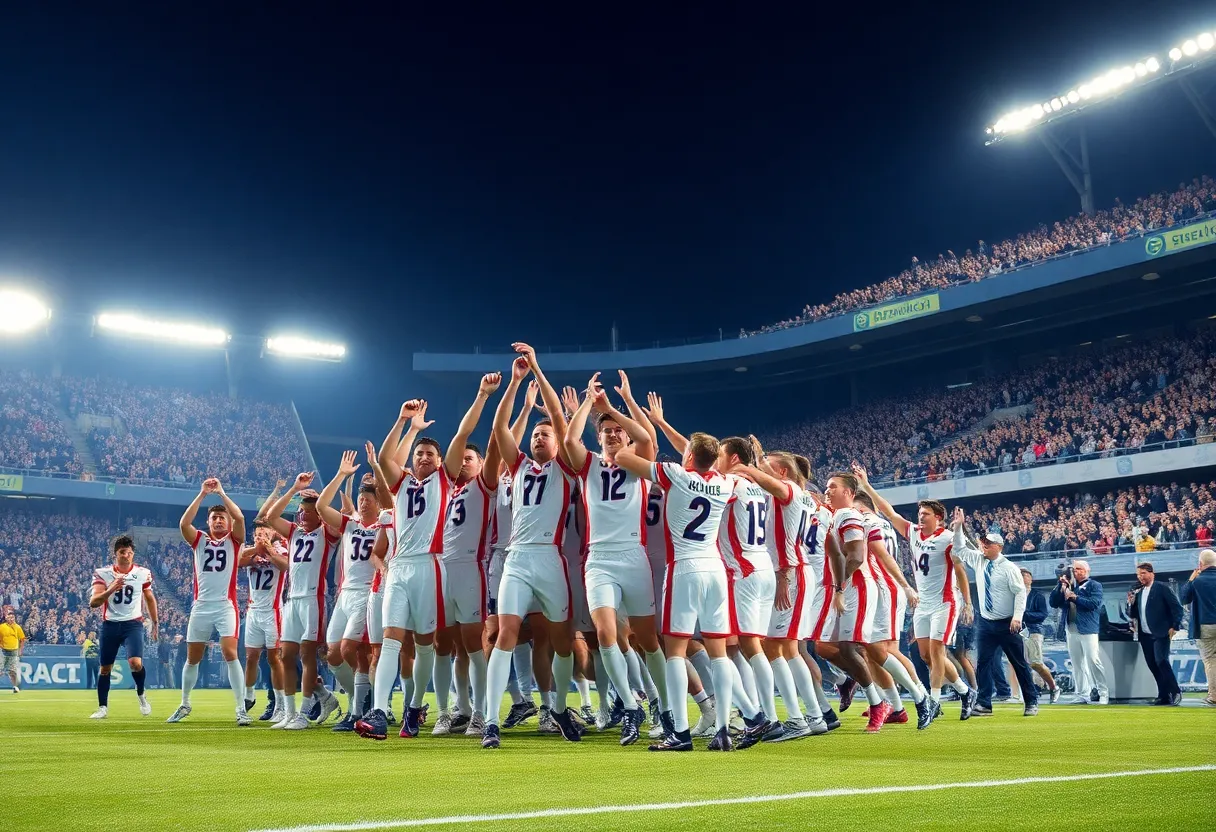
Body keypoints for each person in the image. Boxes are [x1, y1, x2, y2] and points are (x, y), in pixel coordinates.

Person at [613, 428, 773, 752]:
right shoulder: (725, 483)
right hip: (715, 569)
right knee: (719, 654)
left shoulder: (675, 474)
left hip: (683, 568)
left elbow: (622, 458)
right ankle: (725, 730)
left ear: (688, 456)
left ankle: (681, 733)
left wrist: (635, 433)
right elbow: (704, 462)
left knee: (675, 652)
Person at [480, 347, 584, 748]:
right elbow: (500, 428)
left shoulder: (567, 467)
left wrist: (538, 368)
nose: (540, 437)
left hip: (551, 558)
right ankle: (490, 722)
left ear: (558, 442)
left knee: (561, 642)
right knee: (505, 634)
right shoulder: (518, 464)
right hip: (518, 558)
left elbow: (559, 416)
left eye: (546, 434)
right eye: (536, 434)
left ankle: (557, 709)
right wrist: (516, 381)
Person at [562, 371, 668, 746]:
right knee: (606, 634)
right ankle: (630, 707)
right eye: (605, 431)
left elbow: (646, 437)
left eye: (616, 431)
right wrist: (591, 403)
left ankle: (665, 709)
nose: (611, 434)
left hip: (634, 556)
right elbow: (569, 439)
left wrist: (616, 407)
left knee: (646, 640)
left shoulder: (638, 461)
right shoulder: (588, 463)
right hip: (599, 559)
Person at [356, 398, 452, 741]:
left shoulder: (444, 481)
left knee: (425, 645)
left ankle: (414, 705)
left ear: (440, 462)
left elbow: (463, 436)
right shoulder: (402, 485)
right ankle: (380, 712)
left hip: (429, 566)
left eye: (430, 455)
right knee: (390, 640)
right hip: (397, 569)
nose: (423, 458)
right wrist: (404, 423)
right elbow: (385, 459)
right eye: (419, 455)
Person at [854, 465, 976, 719]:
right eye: (920, 513)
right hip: (923, 603)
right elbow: (888, 511)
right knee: (927, 657)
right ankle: (965, 692)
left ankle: (932, 703)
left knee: (936, 652)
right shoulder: (913, 532)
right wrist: (866, 486)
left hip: (945, 601)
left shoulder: (947, 538)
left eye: (927, 514)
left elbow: (961, 570)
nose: (921, 517)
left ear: (938, 518)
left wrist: (967, 602)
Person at [434, 374, 504, 737]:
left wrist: (487, 397)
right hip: (440, 569)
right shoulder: (444, 487)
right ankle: (450, 711)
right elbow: (457, 439)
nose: (463, 462)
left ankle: (480, 711)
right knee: (444, 644)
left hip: (472, 567)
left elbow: (494, 445)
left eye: (469, 458)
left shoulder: (484, 485)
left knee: (475, 644)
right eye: (460, 458)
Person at [313, 447, 393, 732]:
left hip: (368, 593)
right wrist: (341, 474)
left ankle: (358, 709)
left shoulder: (385, 522)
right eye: (360, 498)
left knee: (351, 650)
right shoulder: (350, 523)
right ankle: (357, 701)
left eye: (367, 499)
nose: (362, 502)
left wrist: (376, 468)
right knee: (333, 654)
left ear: (376, 502)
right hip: (346, 594)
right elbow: (322, 507)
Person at [260, 472, 343, 729]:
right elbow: (270, 517)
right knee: (286, 656)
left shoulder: (327, 533)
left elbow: (333, 520)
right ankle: (289, 711)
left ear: (319, 514)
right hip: (292, 599)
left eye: (308, 512)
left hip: (313, 598)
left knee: (308, 655)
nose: (303, 516)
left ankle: (304, 714)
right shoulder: (294, 532)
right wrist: (295, 488)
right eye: (301, 512)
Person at [167, 479, 250, 726]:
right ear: (208, 522)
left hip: (225, 605)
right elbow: (184, 523)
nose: (218, 521)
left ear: (228, 521)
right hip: (201, 605)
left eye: (222, 517)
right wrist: (202, 494)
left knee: (230, 653)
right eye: (214, 518)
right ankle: (184, 703)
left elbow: (241, 519)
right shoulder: (200, 540)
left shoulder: (234, 540)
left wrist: (222, 493)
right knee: (193, 657)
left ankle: (240, 707)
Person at [948, 511, 1038, 717]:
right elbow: (960, 549)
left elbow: (1020, 593)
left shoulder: (1009, 568)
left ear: (999, 547)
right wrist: (959, 527)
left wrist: (1017, 617)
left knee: (1019, 663)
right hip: (987, 623)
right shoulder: (979, 560)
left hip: (1008, 623)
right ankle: (984, 704)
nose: (984, 546)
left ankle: (1031, 701)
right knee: (984, 663)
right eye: (983, 543)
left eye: (988, 543)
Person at [88, 535, 157, 718]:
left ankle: (141, 695)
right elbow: (94, 602)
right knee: (105, 668)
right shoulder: (103, 573)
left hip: (132, 624)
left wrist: (155, 623)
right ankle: (102, 707)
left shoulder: (143, 573)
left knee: (135, 663)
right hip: (110, 624)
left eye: (129, 552)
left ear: (133, 554)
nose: (126, 555)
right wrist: (112, 588)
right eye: (122, 552)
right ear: (115, 554)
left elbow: (149, 598)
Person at [239, 520, 289, 721]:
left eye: (264, 532)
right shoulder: (250, 551)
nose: (260, 535)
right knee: (251, 657)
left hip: (273, 611)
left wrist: (268, 551)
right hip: (253, 611)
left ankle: (280, 704)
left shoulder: (280, 549)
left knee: (273, 658)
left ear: (272, 533)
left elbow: (285, 566)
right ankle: (248, 697)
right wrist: (255, 553)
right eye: (257, 533)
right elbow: (237, 560)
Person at [1049, 559, 1109, 704]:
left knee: (1093, 660)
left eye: (1080, 569)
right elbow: (1054, 603)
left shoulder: (1094, 585)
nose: (1077, 572)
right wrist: (1060, 585)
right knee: (1077, 664)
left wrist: (1074, 597)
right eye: (1075, 569)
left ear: (1087, 571)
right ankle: (1083, 694)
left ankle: (1103, 693)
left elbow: (1094, 604)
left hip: (1088, 629)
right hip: (1071, 628)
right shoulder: (1069, 585)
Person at [1128, 562, 1184, 706]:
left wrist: (1174, 626)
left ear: (1152, 573)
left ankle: (1176, 691)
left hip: (1161, 632)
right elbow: (1133, 614)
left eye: (1143, 573)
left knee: (1161, 661)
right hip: (1145, 634)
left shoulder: (1161, 588)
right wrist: (1131, 603)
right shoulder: (1138, 592)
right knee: (1153, 665)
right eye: (1138, 574)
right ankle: (1163, 695)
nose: (1140, 577)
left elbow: (1176, 607)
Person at [1180, 549, 1216, 706]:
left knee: (1210, 661)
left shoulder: (1197, 582)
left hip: (1205, 625)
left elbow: (1183, 598)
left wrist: (1190, 579)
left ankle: (1214, 696)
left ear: (1200, 564)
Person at [1019, 568, 1059, 703]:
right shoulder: (1014, 594)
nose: (1023, 577)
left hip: (1034, 630)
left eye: (1026, 575)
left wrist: (1025, 614)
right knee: (1022, 663)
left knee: (1036, 662)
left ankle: (1053, 686)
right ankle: (1032, 689)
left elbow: (1042, 615)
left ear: (1031, 579)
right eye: (1021, 575)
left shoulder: (1038, 596)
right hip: (1017, 632)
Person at [1, 609, 26, 693]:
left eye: (13, 617)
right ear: (6, 617)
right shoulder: (2, 627)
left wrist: (20, 651)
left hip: (13, 651)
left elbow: (22, 639)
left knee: (12, 671)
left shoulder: (18, 627)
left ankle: (15, 687)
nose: (11, 619)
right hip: (3, 651)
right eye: (9, 617)